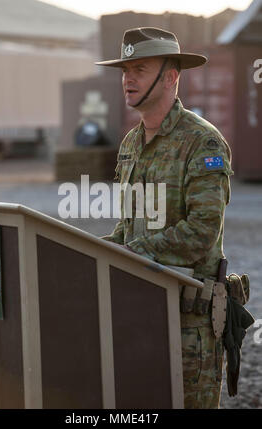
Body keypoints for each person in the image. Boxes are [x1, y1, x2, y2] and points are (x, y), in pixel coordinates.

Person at [96, 27, 234, 409]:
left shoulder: (202, 142)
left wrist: (129, 256)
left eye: (139, 69)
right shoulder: (130, 144)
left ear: (171, 77)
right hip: (137, 313)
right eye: (125, 70)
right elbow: (127, 226)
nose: (128, 79)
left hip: (188, 327)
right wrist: (90, 251)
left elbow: (201, 233)